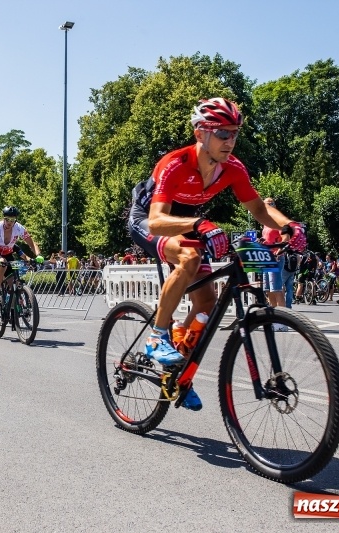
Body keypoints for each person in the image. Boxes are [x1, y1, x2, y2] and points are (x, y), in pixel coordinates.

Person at [128, 97, 306, 411]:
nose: (230, 140)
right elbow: (157, 220)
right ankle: (157, 335)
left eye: (234, 133)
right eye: (222, 133)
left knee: (208, 302)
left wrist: (289, 225)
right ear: (200, 134)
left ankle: (177, 370)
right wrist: (200, 223)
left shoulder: (233, 168)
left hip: (190, 223)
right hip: (151, 218)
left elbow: (259, 208)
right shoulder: (175, 164)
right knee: (190, 258)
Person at [0, 206, 44, 304]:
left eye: (12, 220)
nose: (9, 222)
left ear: (15, 220)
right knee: (2, 262)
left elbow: (32, 243)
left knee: (13, 283)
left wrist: (38, 255)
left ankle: (12, 310)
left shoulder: (19, 228)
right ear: (4, 218)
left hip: (7, 254)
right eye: (7, 219)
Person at [260, 198, 290, 326]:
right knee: (268, 289)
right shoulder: (266, 223)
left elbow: (286, 237)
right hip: (266, 258)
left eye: (268, 205)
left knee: (277, 288)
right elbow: (268, 238)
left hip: (275, 258)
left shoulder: (277, 221)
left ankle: (282, 322)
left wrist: (281, 250)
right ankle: (273, 318)